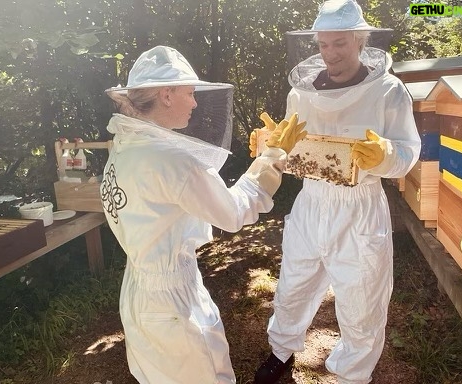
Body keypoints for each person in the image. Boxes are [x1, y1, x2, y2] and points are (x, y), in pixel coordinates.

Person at [99, 45, 307, 384]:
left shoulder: (123, 147)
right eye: (190, 92)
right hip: (171, 304)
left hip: (138, 292)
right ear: (167, 94)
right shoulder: (170, 160)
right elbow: (233, 212)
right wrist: (272, 156)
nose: (195, 102)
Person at [252, 1, 421, 383]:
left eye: (340, 43)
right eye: (324, 45)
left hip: (360, 206)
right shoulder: (302, 93)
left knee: (362, 298)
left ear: (360, 41)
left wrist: (386, 154)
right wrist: (270, 147)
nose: (330, 53)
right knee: (293, 282)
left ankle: (352, 375)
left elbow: (407, 152)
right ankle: (281, 352)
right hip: (312, 200)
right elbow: (294, 149)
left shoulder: (388, 91)